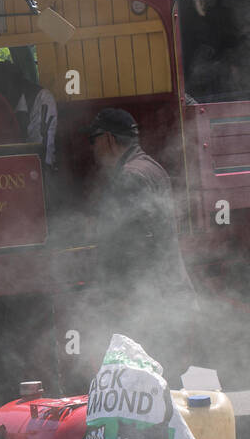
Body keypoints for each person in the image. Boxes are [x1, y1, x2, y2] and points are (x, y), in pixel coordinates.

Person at [81, 107, 198, 385]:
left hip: (147, 301)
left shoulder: (129, 178)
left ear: (108, 139)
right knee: (162, 379)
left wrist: (117, 296)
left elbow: (130, 245)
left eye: (93, 141)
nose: (93, 149)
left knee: (145, 382)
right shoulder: (153, 168)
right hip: (167, 293)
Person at [0, 60, 58, 167]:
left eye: (3, 89)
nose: (1, 97)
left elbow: (42, 153)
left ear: (17, 83)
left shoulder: (41, 98)